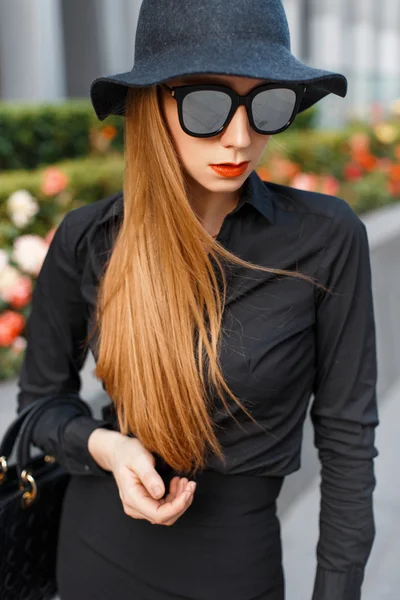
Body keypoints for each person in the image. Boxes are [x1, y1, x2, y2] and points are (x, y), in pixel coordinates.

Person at [15, 1, 379, 599]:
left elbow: (347, 441)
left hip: (237, 568)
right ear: (153, 103)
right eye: (207, 105)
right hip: (96, 553)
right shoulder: (91, 237)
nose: (240, 139)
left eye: (266, 105)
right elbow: (40, 404)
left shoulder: (326, 237)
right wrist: (106, 447)